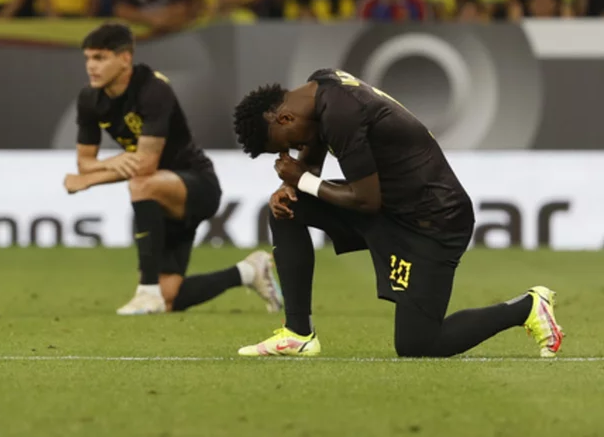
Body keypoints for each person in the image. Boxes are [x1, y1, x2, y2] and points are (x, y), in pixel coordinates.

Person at [231, 68, 564, 358]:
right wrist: (294, 185)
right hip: (394, 207)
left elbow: (366, 200)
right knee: (286, 208)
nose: (289, 153)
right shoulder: (322, 88)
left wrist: (301, 178)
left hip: (433, 221)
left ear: (285, 118)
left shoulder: (342, 114)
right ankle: (298, 334)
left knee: (418, 344)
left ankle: (528, 307)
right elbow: (316, 141)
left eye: (283, 144)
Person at [64, 23, 283, 316]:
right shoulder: (89, 99)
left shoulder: (152, 89)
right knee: (170, 298)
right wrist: (106, 164)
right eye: (88, 58)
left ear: (125, 58)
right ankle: (248, 271)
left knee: (141, 183)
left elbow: (145, 165)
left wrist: (89, 180)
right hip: (159, 204)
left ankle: (146, 290)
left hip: (196, 184)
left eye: (100, 58)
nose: (91, 66)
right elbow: (85, 162)